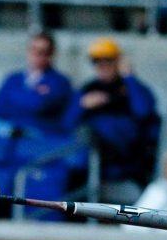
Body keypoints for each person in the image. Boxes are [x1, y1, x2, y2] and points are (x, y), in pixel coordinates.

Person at [63, 38, 161, 185]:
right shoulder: (88, 89)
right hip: (92, 156)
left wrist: (129, 77)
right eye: (97, 61)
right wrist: (81, 106)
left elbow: (144, 111)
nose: (102, 66)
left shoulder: (132, 87)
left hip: (125, 155)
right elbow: (67, 124)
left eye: (107, 61)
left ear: (118, 62)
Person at [0, 32, 73, 137]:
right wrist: (29, 96)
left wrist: (14, 98)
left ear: (51, 54)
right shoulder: (13, 78)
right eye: (33, 49)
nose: (37, 54)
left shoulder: (60, 82)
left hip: (39, 134)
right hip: (8, 130)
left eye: (43, 51)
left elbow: (38, 106)